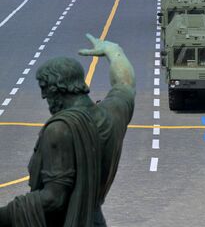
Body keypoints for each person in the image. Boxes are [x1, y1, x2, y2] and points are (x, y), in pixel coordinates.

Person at [0, 34, 136, 227]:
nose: (44, 98)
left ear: (57, 91)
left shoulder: (59, 129)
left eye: (46, 92)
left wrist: (6, 214)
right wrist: (114, 51)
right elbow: (125, 83)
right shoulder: (112, 114)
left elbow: (54, 199)